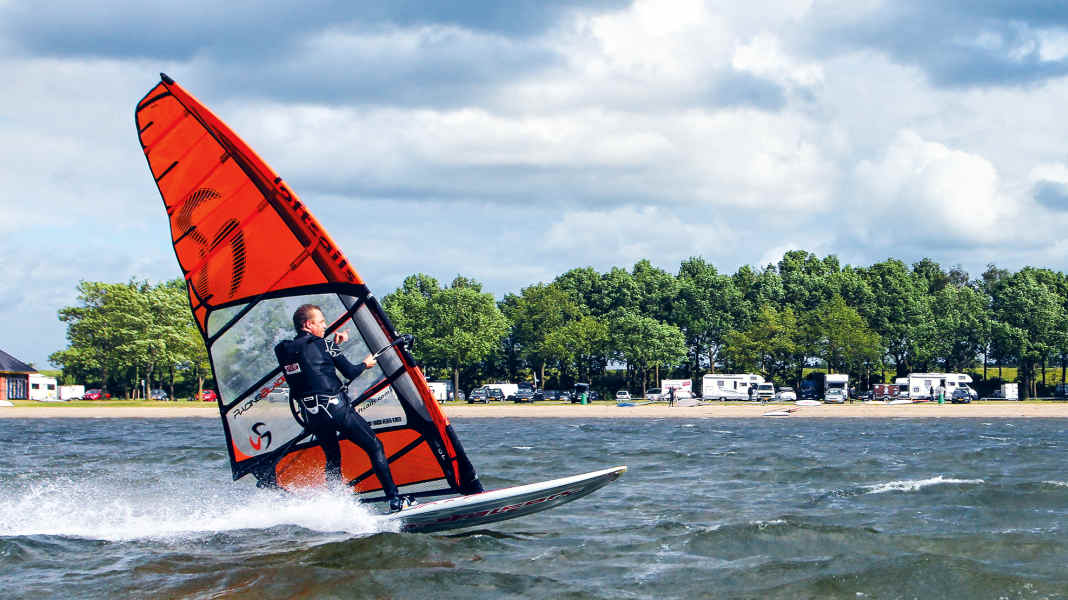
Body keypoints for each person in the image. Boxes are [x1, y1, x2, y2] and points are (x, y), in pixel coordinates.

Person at [274, 304, 409, 512]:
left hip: (312, 416)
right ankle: (394, 499)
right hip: (335, 409)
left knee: (333, 457)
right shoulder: (325, 345)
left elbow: (311, 362)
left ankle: (336, 504)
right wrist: (366, 363)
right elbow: (350, 372)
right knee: (375, 447)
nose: (325, 326)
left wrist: (333, 346)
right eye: (321, 322)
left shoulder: (283, 350)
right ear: (308, 324)